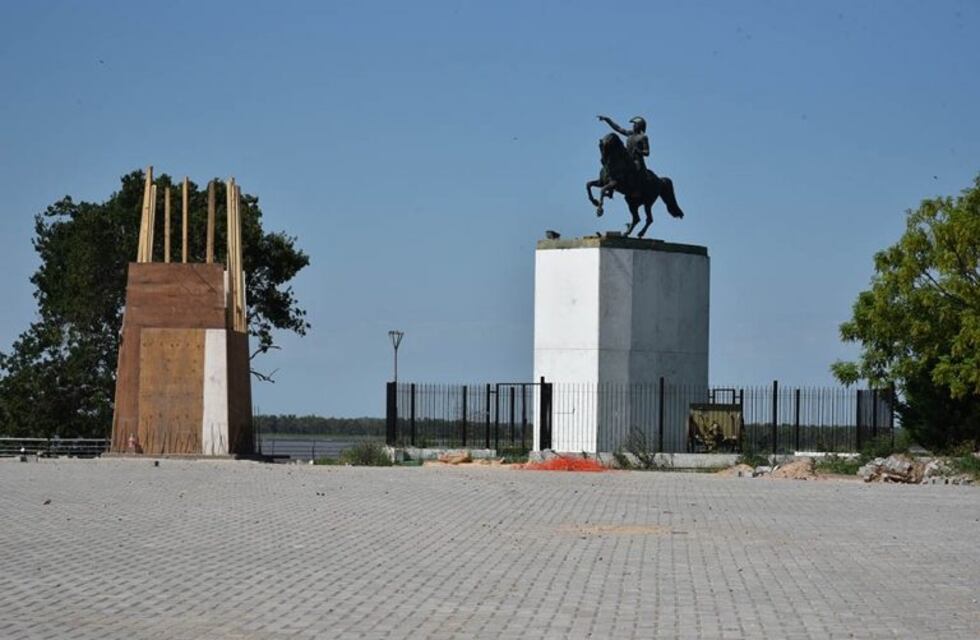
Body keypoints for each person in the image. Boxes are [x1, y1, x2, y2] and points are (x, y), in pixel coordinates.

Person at [597, 114, 650, 179]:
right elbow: (618, 128)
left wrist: (639, 151)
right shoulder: (630, 134)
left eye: (636, 124)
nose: (634, 126)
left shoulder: (643, 137)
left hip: (637, 162)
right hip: (628, 159)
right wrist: (607, 119)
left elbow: (647, 152)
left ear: (640, 126)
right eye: (634, 124)